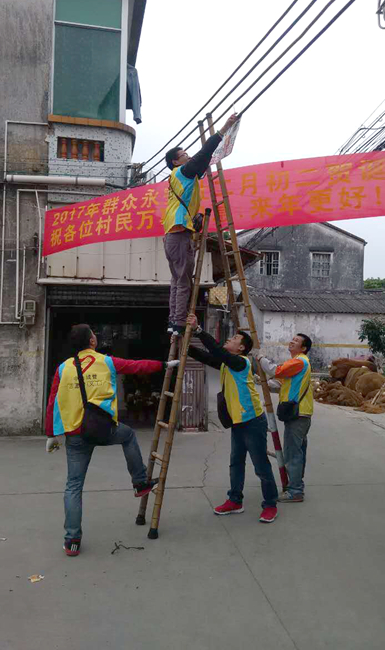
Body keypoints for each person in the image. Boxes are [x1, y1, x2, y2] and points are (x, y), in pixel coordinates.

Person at [45, 324, 179, 557]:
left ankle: (72, 541)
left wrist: (50, 434)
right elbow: (137, 367)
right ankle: (139, 483)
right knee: (128, 435)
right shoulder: (106, 362)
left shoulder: (63, 368)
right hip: (102, 428)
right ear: (92, 341)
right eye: (94, 334)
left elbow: (52, 401)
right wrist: (164, 365)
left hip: (74, 434)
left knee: (73, 486)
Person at [187, 314, 278, 523]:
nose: (229, 339)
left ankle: (270, 504)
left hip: (253, 421)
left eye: (235, 338)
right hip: (238, 421)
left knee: (260, 465)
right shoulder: (227, 364)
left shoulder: (241, 363)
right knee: (236, 463)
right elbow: (206, 357)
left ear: (241, 348)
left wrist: (199, 331)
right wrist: (184, 346)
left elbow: (217, 351)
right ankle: (235, 500)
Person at [163, 113, 238, 337]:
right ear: (176, 161)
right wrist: (224, 128)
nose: (188, 156)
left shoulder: (180, 176)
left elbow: (202, 160)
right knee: (183, 282)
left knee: (177, 280)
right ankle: (178, 322)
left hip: (173, 232)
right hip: (178, 233)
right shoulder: (183, 172)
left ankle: (173, 320)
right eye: (184, 154)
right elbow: (203, 154)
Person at [257, 333, 313, 503]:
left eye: (296, 341)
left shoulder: (299, 361)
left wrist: (261, 358)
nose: (292, 342)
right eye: (293, 339)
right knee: (297, 452)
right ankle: (296, 486)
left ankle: (295, 491)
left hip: (298, 414)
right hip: (299, 413)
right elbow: (281, 383)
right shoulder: (295, 363)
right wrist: (262, 382)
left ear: (303, 348)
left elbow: (276, 371)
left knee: (293, 453)